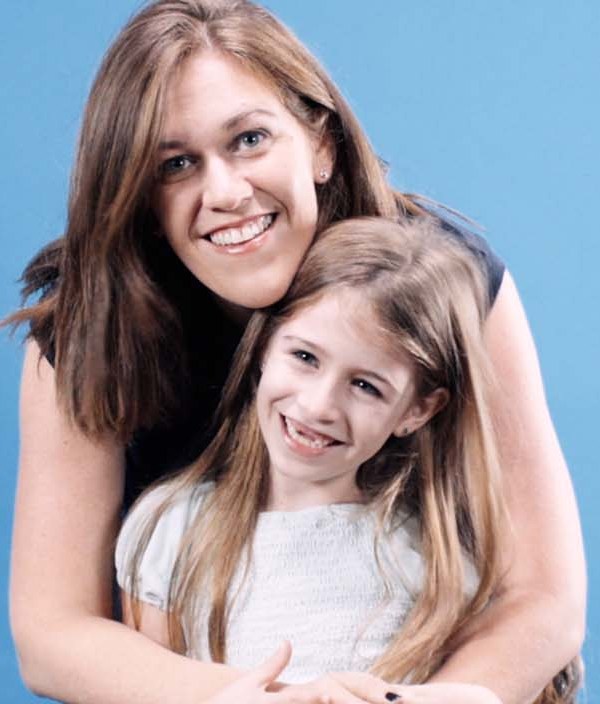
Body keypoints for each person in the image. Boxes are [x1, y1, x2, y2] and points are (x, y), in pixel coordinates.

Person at [6, 1, 584, 703]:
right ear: (136, 195)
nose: (224, 192)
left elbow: (546, 594)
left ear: (321, 143)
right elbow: (53, 632)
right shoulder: (88, 329)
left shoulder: (445, 283)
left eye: (249, 139)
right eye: (176, 164)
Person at [114, 217, 580, 704]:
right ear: (264, 347)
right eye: (305, 358)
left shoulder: (437, 563)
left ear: (418, 410)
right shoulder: (170, 529)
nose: (318, 406)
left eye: (365, 386)